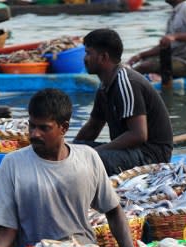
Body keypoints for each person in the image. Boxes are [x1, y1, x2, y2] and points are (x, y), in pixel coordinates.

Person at [0, 88, 135, 247]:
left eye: (44, 128)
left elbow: (114, 211)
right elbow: (6, 230)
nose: (34, 134)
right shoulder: (12, 163)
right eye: (32, 125)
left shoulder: (88, 157)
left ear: (63, 128)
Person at [74, 28, 174, 177]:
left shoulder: (126, 82)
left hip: (152, 156)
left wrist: (97, 152)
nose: (85, 58)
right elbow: (93, 127)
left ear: (103, 57)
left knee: (91, 159)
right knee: (76, 152)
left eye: (88, 53)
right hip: (130, 152)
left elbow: (138, 135)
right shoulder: (104, 86)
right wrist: (69, 149)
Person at [126, 0, 186, 77]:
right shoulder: (175, 12)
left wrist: (174, 36)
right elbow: (165, 46)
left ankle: (125, 81)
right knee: (145, 60)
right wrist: (140, 56)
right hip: (175, 58)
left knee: (145, 66)